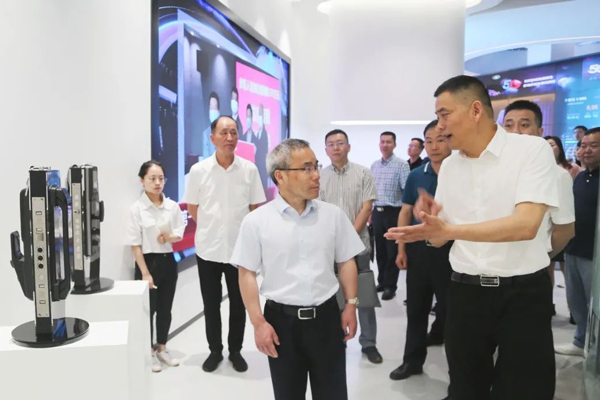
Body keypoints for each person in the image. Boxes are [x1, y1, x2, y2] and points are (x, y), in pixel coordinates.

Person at [386, 75, 559, 400]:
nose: (440, 126)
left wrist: (448, 230)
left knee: (525, 389)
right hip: (466, 294)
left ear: (476, 110)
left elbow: (526, 225)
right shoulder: (451, 166)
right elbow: (441, 238)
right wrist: (430, 228)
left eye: (444, 114)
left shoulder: (530, 150)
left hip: (522, 294)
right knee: (465, 388)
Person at [232, 139, 363, 400]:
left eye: (316, 166)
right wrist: (258, 323)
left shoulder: (333, 215)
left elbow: (346, 261)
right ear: (280, 176)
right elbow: (246, 273)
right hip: (281, 324)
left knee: (333, 393)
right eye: (306, 168)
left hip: (327, 319)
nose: (316, 175)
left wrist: (350, 305)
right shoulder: (256, 222)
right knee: (288, 394)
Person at [183, 115, 266, 373]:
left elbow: (255, 208)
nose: (230, 138)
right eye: (224, 133)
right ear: (212, 138)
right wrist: (211, 228)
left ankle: (236, 351)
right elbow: (193, 207)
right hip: (208, 249)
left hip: (239, 251)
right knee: (211, 305)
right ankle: (215, 351)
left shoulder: (249, 169)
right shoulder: (199, 171)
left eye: (233, 132)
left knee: (239, 304)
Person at [390, 119, 453, 382]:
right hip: (420, 252)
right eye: (429, 141)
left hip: (452, 252)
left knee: (453, 313)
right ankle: (412, 362)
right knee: (416, 309)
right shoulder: (417, 174)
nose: (434, 146)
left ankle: (458, 373)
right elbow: (406, 212)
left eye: (441, 139)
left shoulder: (461, 172)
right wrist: (401, 249)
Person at [503, 100, 575, 317]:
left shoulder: (558, 175)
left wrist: (540, 255)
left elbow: (565, 231)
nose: (516, 132)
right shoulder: (494, 171)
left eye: (524, 125)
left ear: (540, 132)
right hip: (490, 275)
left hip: (529, 277)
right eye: (508, 125)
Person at [320, 129, 382, 364]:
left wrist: (348, 238)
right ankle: (339, 339)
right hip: (330, 250)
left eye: (340, 143)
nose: (335, 147)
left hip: (358, 247)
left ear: (348, 147)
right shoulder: (319, 177)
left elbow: (366, 208)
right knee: (335, 297)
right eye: (331, 144)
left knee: (364, 298)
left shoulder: (363, 173)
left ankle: (369, 343)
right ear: (326, 150)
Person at [126, 160, 185, 373]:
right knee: (148, 310)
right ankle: (149, 351)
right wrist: (145, 273)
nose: (158, 183)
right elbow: (135, 244)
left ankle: (162, 348)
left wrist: (168, 237)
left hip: (168, 261)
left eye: (161, 178)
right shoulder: (137, 209)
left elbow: (179, 232)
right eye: (152, 178)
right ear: (142, 181)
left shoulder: (172, 206)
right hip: (147, 263)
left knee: (165, 309)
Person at [556, 127, 600, 357]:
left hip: (594, 253)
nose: (586, 150)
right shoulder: (581, 176)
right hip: (573, 248)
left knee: (596, 305)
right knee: (576, 300)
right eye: (583, 145)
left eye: (594, 145)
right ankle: (580, 341)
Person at [370, 131, 410, 300]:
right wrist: (370, 212)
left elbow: (407, 190)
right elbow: (372, 191)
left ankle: (390, 286)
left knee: (392, 251)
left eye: (388, 142)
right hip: (377, 212)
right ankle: (382, 281)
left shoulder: (401, 164)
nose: (385, 145)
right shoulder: (374, 166)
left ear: (394, 144)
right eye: (382, 142)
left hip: (394, 212)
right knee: (380, 250)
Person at [252, 103, 270, 189]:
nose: (259, 117)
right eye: (258, 114)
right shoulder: (257, 133)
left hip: (263, 168)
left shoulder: (264, 133)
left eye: (261, 114)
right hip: (256, 166)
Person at [202, 91, 220, 157]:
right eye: (211, 108)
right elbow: (206, 158)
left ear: (218, 111)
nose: (213, 111)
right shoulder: (206, 134)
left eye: (215, 108)